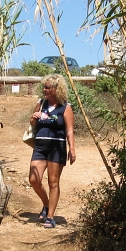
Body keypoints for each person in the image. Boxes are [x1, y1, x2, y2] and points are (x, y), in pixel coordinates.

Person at [28, 74, 76, 228]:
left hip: (57, 147)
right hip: (40, 147)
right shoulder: (41, 103)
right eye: (45, 87)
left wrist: (72, 149)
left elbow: (69, 131)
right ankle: (46, 204)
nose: (45, 90)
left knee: (53, 182)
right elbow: (32, 122)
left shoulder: (65, 107)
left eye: (48, 87)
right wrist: (34, 118)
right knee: (34, 180)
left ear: (57, 89)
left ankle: (50, 216)